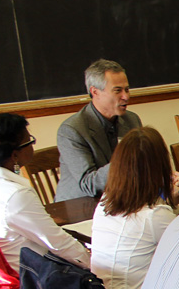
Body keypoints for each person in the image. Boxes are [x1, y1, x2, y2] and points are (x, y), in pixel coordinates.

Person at [90, 127, 179, 289]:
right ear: (160, 167)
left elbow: (151, 228)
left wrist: (171, 202)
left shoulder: (105, 201)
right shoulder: (154, 216)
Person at [0, 113, 90, 271]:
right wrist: (94, 265)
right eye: (30, 141)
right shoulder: (15, 195)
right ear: (14, 155)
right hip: (32, 280)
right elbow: (58, 244)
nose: (33, 145)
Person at [55, 59, 143, 200]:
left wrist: (167, 176)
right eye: (117, 91)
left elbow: (142, 164)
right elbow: (88, 184)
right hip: (81, 207)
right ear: (95, 92)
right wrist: (125, 161)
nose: (126, 96)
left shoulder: (132, 120)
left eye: (127, 89)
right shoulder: (72, 130)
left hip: (120, 200)